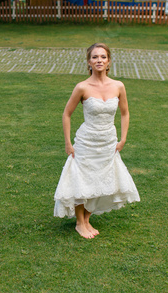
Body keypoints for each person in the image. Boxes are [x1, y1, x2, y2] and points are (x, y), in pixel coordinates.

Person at [54, 43, 140, 239]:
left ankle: (86, 219)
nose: (99, 60)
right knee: (81, 180)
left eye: (102, 57)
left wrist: (123, 138)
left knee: (102, 180)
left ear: (108, 61)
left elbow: (125, 113)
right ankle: (79, 223)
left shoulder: (118, 86)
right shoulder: (82, 87)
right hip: (86, 142)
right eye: (94, 57)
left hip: (109, 141)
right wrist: (68, 142)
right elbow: (67, 114)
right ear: (89, 62)